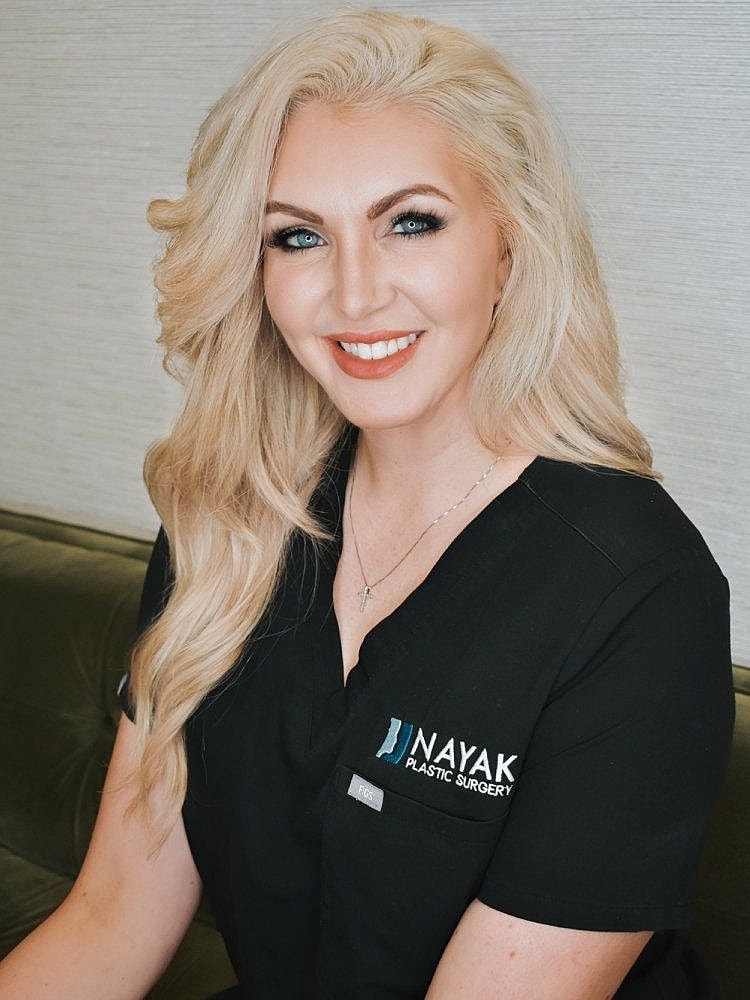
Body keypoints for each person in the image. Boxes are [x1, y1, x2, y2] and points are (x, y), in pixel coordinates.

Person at [0, 9, 734, 999]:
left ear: (510, 250)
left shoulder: (637, 588)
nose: (353, 294)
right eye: (298, 236)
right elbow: (108, 923)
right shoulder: (228, 520)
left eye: (411, 222)